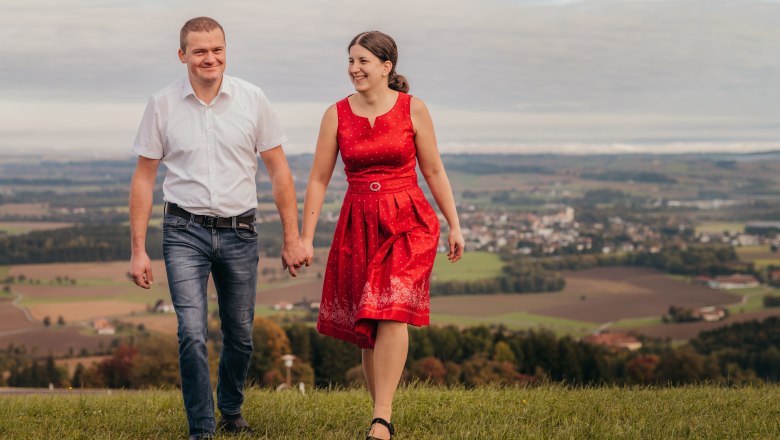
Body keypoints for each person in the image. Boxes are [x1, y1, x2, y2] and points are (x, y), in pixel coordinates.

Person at [128, 17, 307, 440]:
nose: (210, 58)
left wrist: (293, 236)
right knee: (191, 333)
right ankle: (202, 429)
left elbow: (279, 170)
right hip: (183, 230)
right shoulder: (162, 103)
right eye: (200, 51)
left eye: (217, 50)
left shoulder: (253, 99)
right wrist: (138, 248)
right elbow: (144, 178)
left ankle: (230, 408)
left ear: (226, 51)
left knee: (240, 336)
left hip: (240, 232)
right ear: (182, 55)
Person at [301, 31, 464, 440]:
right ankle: (380, 413)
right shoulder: (335, 114)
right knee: (368, 317)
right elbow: (319, 179)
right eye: (350, 61)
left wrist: (455, 223)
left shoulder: (414, 109)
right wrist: (305, 237)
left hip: (408, 218)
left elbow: (434, 171)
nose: (354, 69)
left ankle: (381, 419)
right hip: (358, 220)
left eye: (363, 61)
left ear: (386, 66)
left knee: (390, 306)